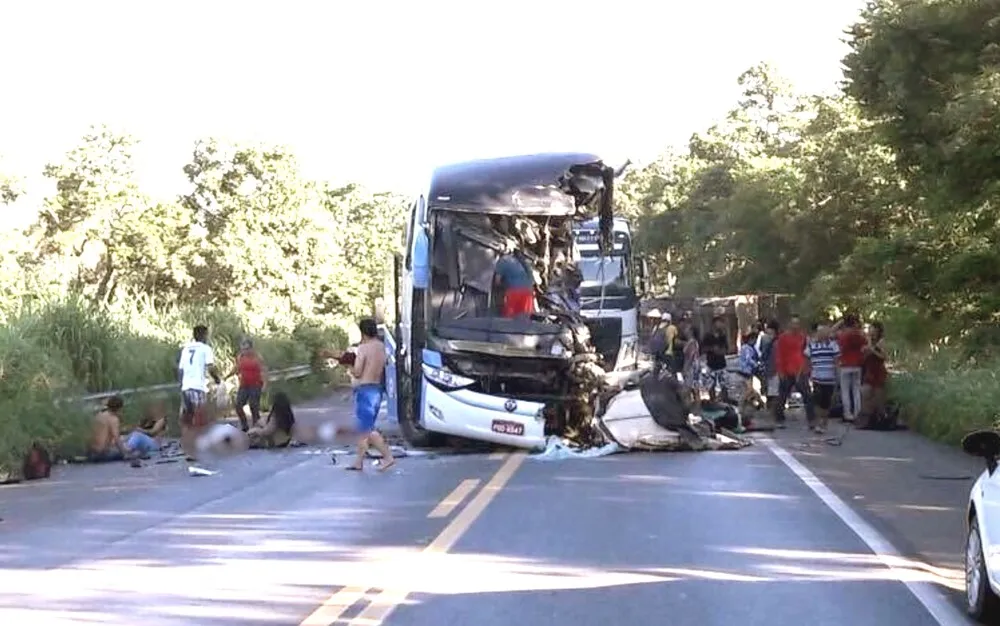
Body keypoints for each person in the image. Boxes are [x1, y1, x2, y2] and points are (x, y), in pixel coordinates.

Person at [343, 317, 397, 472]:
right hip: (377, 389)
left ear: (362, 332)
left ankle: (388, 457)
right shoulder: (381, 347)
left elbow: (358, 372)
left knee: (366, 429)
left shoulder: (364, 348)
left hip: (365, 390)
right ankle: (358, 461)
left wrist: (348, 367)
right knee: (364, 428)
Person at [178, 325, 222, 462]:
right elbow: (210, 366)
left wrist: (182, 384)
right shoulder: (205, 349)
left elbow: (180, 369)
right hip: (198, 387)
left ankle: (188, 450)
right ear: (204, 335)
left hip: (186, 387)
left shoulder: (186, 349)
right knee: (199, 419)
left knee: (187, 420)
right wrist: (217, 379)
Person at [774, 314, 814, 428]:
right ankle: (779, 419)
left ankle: (811, 420)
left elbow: (806, 354)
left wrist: (807, 369)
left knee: (807, 395)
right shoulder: (783, 338)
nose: (795, 326)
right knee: (782, 396)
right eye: (793, 323)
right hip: (786, 370)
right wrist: (780, 370)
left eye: (797, 323)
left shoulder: (803, 337)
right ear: (789, 324)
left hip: (800, 370)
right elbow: (779, 355)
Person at [805, 324, 840, 434]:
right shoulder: (812, 345)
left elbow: (836, 361)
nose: (820, 335)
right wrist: (808, 373)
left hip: (829, 378)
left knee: (826, 402)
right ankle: (818, 422)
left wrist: (837, 375)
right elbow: (807, 359)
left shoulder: (833, 345)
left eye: (823, 333)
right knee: (817, 400)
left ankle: (824, 422)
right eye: (819, 333)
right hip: (817, 378)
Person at [227, 338, 267, 431]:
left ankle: (256, 426)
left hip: (255, 384)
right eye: (243, 349)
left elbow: (264, 371)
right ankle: (244, 425)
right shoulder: (240, 357)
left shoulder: (257, 357)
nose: (245, 351)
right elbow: (236, 368)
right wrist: (227, 376)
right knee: (238, 405)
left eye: (247, 349)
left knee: (254, 406)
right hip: (244, 385)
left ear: (251, 348)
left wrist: (265, 384)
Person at [835, 313, 867, 423]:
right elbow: (865, 346)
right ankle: (857, 412)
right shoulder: (860, 335)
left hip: (845, 365)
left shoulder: (843, 335)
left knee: (845, 390)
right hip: (857, 365)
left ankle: (847, 414)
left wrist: (840, 322)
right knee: (856, 390)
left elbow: (831, 333)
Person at [859, 321, 889, 428]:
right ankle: (866, 418)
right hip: (869, 370)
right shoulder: (868, 341)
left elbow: (884, 357)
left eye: (872, 328)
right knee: (865, 393)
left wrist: (873, 350)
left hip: (878, 370)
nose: (870, 331)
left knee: (878, 395)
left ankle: (882, 417)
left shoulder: (881, 342)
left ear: (877, 330)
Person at [87, 395, 132, 462]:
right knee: (134, 451)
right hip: (101, 454)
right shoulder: (113, 419)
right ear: (120, 408)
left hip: (91, 451)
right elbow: (117, 438)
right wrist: (124, 454)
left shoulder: (99, 415)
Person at [493, 251, 535, 318]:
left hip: (514, 292)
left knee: (509, 318)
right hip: (528, 292)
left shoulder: (503, 260)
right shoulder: (522, 262)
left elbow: (497, 281)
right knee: (523, 319)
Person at [700, 316, 729, 402]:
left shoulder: (722, 336)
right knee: (711, 385)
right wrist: (712, 349)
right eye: (719, 322)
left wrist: (720, 351)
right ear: (714, 324)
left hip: (722, 364)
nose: (720, 325)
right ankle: (712, 401)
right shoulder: (708, 336)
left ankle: (724, 401)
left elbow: (726, 349)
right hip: (711, 364)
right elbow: (702, 349)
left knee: (724, 385)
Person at [736, 330, 761, 414]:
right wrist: (756, 365)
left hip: (746, 371)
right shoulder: (747, 348)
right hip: (746, 371)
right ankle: (741, 405)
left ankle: (758, 403)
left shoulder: (748, 347)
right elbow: (748, 359)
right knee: (749, 390)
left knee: (750, 389)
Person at [681, 326, 702, 415]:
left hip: (691, 368)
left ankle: (691, 410)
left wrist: (685, 369)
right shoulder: (693, 342)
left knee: (689, 390)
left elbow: (690, 357)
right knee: (694, 389)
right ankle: (696, 410)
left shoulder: (692, 343)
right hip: (695, 367)